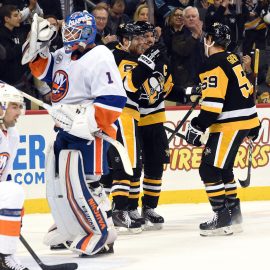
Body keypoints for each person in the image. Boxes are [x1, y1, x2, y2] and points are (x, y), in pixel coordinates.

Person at [23, 11, 127, 255]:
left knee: (87, 182)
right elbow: (41, 71)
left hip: (90, 132)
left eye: (75, 31)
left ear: (88, 32)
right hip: (65, 128)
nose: (68, 35)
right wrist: (39, 47)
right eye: (67, 30)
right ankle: (72, 224)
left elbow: (114, 100)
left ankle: (103, 231)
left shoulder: (101, 56)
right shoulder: (63, 55)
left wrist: (85, 121)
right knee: (60, 180)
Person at [185, 22, 261, 236]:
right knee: (223, 167)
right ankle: (234, 214)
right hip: (243, 121)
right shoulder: (232, 59)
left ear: (209, 39)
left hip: (229, 123)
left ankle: (222, 218)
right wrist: (254, 123)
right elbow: (244, 93)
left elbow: (213, 106)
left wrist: (198, 125)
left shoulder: (212, 64)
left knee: (208, 169)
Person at [0, 82, 29, 269]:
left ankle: (5, 252)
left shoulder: (12, 135)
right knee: (13, 192)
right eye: (14, 106)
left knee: (14, 197)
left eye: (20, 107)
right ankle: (4, 257)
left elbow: (4, 178)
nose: (18, 112)